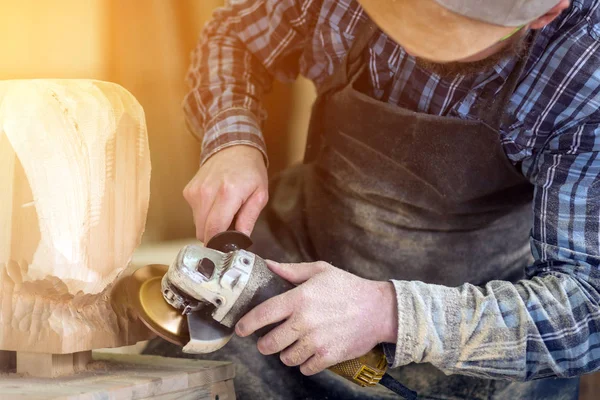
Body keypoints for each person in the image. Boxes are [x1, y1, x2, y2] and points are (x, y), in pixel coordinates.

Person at [143, 0, 600, 398]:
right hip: (276, 296)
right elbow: (236, 36)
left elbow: (585, 311)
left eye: (445, 28)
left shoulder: (585, 67)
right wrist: (232, 139)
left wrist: (390, 313)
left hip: (472, 367)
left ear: (546, 11)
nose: (410, 41)